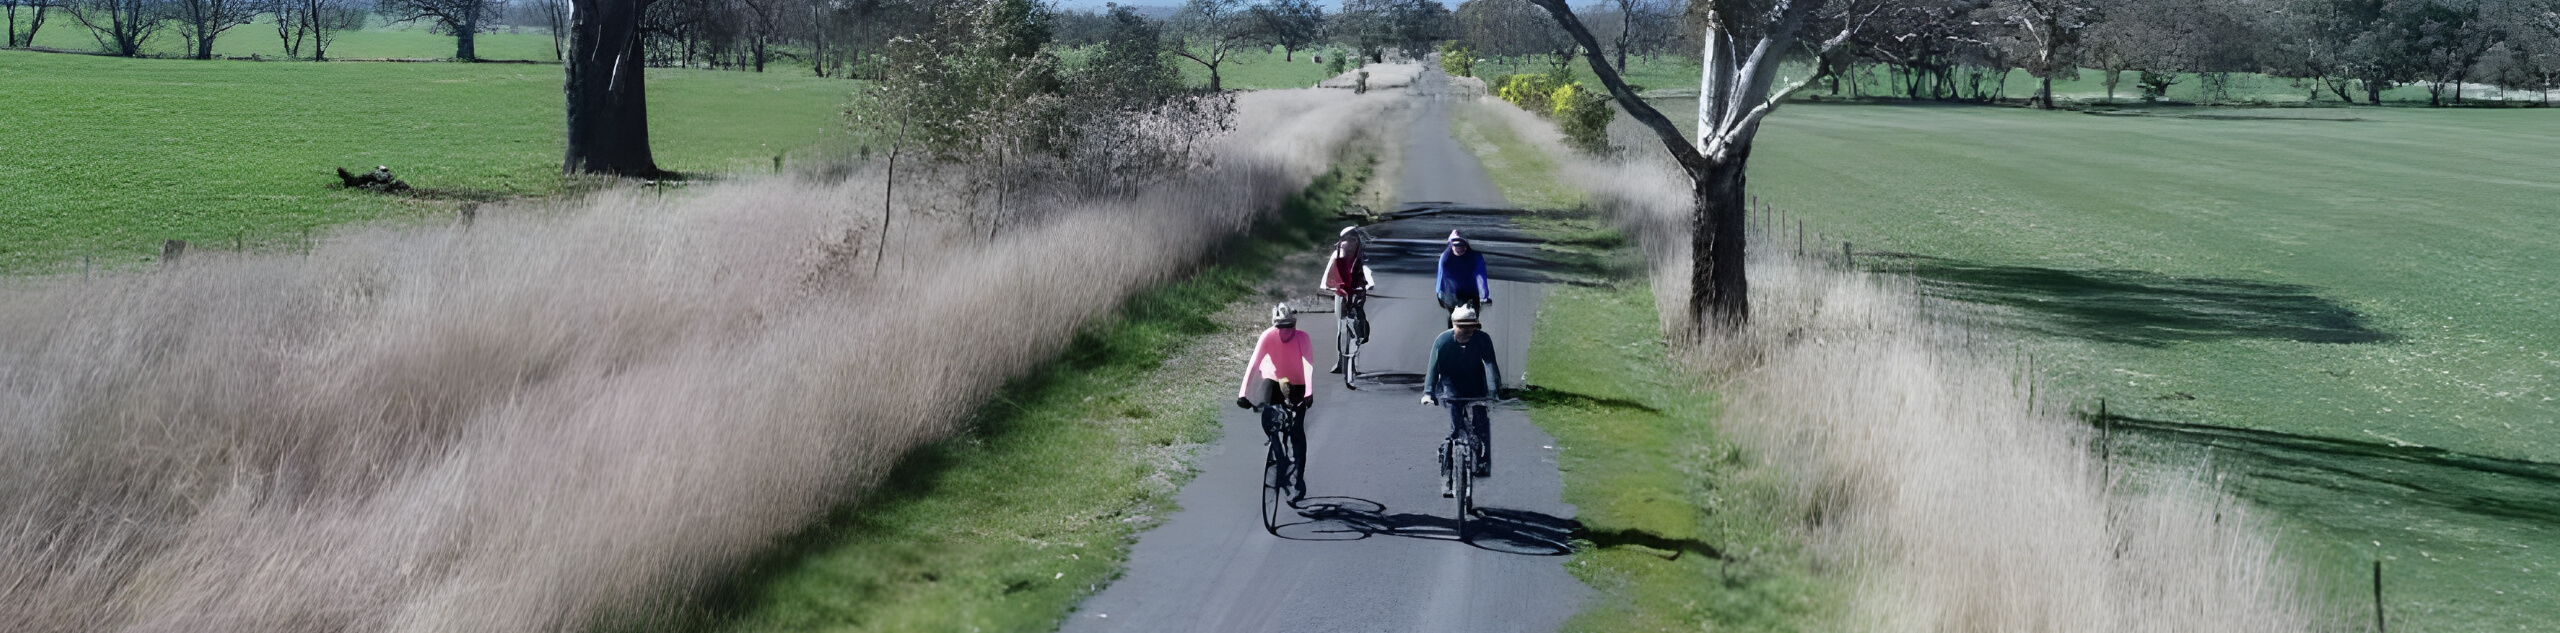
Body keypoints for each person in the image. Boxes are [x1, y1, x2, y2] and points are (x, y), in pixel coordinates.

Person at [1421, 305, 1506, 495]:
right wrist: (1428, 393)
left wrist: (1494, 392)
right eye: (1462, 327)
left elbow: (1491, 366)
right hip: (1451, 390)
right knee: (1454, 430)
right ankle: (1447, 473)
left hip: (1477, 388)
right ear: (1454, 325)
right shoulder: (1442, 341)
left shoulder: (1483, 340)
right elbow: (1433, 369)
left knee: (1482, 425)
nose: (1467, 331)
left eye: (1471, 327)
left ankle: (1483, 462)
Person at [1237, 303, 1315, 498]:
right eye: (1281, 327)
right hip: (1274, 380)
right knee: (1268, 418)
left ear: (1295, 325)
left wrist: (1309, 393)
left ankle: (1298, 477)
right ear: (1274, 326)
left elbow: (1308, 365)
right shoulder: (1267, 336)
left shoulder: (1303, 338)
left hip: (1298, 384)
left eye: (1289, 326)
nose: (1285, 331)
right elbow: (1253, 363)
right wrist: (1243, 394)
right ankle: (1279, 454)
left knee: (1296, 431)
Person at [1320, 227, 1375, 374]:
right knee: (1343, 326)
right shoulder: (1338, 255)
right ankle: (1341, 362)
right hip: (1342, 293)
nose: (1350, 242)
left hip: (1355, 292)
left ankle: (1350, 364)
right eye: (1348, 239)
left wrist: (1367, 284)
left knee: (1354, 325)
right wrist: (1333, 287)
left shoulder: (1359, 255)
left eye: (1353, 239)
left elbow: (1364, 272)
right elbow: (1329, 277)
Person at [1435, 231, 1491, 320]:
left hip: (1470, 291)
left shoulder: (1475, 257)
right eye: (1456, 246)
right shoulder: (1445, 258)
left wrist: (1484, 296)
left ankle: (1474, 328)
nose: (1459, 249)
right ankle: (1452, 329)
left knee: (1474, 316)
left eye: (1461, 246)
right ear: (1451, 245)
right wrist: (1439, 294)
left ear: (1466, 245)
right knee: (1454, 316)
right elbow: (1441, 278)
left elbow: (1481, 277)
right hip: (1452, 293)